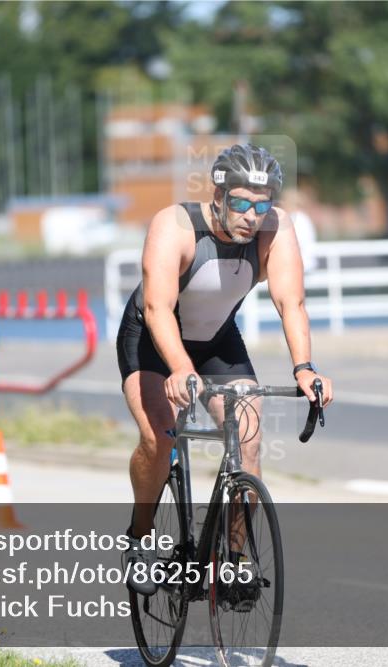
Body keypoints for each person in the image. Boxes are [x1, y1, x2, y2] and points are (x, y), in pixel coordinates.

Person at [115, 143, 334, 595]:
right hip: (153, 339)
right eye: (240, 203)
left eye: (262, 205)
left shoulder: (275, 228)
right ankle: (139, 539)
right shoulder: (175, 226)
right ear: (218, 195)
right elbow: (157, 309)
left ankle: (233, 560)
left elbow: (291, 302)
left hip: (216, 340)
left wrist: (304, 368)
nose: (252, 216)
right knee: (158, 439)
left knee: (248, 440)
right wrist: (180, 367)